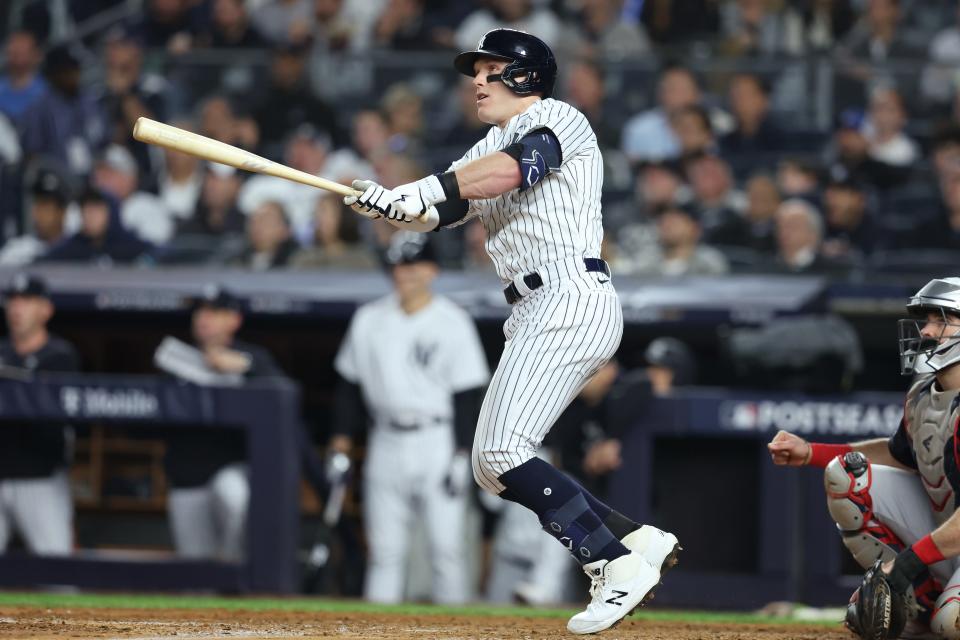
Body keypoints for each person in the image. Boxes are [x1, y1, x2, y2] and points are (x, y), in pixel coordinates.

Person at [341, 28, 679, 634]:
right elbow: (442, 206)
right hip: (532, 309)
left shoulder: (559, 119)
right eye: (476, 70)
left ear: (525, 75)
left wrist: (418, 191)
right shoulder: (488, 144)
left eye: (490, 69)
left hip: (569, 297)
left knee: (501, 450)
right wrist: (387, 203)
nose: (477, 80)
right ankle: (635, 539)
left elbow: (508, 173)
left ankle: (613, 564)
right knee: (491, 465)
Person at [767, 277, 960, 639]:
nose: (929, 330)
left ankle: (937, 604)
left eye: (943, 319)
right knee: (847, 476)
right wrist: (812, 453)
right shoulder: (923, 391)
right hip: (949, 533)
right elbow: (901, 454)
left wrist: (904, 564)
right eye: (929, 319)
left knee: (951, 626)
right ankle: (921, 600)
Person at [331, 232, 489, 603]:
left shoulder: (452, 320)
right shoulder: (368, 318)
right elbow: (348, 387)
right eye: (398, 267)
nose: (404, 274)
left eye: (412, 266)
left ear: (431, 271)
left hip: (436, 439)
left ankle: (457, 634)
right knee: (385, 553)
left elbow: (467, 395)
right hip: (385, 438)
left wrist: (462, 453)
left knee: (446, 550)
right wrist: (340, 439)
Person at [154, 285, 284, 561]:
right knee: (196, 574)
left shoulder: (253, 359)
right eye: (200, 311)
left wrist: (245, 369)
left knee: (237, 498)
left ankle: (235, 563)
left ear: (234, 320)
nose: (203, 317)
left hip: (232, 465)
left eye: (214, 311)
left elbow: (284, 394)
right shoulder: (175, 360)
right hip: (186, 476)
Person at [0, 273, 79, 555]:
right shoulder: (2, 351)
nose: (17, 308)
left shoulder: (60, 355)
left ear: (45, 310)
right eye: (13, 301)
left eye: (27, 301)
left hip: (40, 478)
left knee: (58, 575)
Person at [0, 169, 71, 265]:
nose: (38, 213)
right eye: (36, 205)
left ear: (61, 212)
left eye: (45, 206)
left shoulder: (78, 251)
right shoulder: (16, 253)